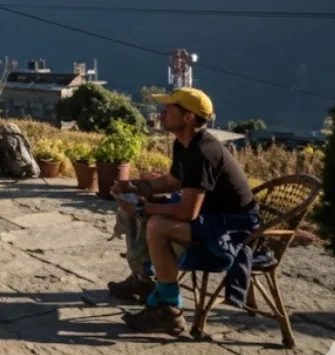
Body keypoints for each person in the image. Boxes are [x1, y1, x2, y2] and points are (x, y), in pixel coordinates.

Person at [109, 87, 260, 335]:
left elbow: (187, 212)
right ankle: (144, 279)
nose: (161, 114)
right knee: (145, 210)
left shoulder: (203, 153)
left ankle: (169, 308)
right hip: (210, 213)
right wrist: (134, 186)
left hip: (233, 225)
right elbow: (171, 181)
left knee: (157, 224)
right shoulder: (184, 144)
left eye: (168, 109)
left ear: (188, 117)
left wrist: (143, 207)